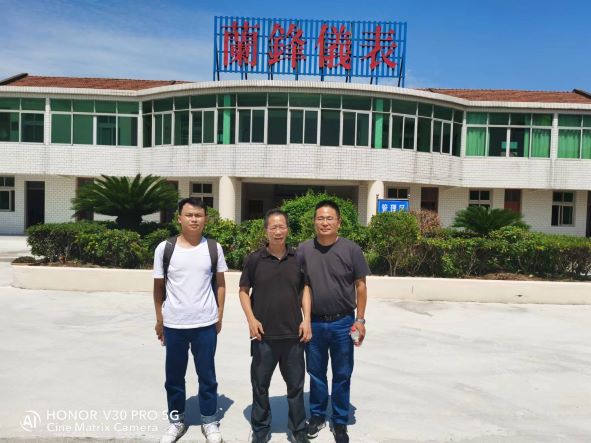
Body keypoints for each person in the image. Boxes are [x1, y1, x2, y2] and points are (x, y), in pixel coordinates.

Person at [153, 197, 228, 443]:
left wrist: (219, 315)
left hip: (205, 323)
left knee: (207, 376)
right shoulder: (165, 249)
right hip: (174, 324)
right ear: (179, 218)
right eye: (189, 215)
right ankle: (176, 421)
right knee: (174, 377)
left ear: (205, 219)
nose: (194, 219)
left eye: (198, 215)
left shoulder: (213, 248)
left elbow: (220, 284)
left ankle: (209, 420)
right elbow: (158, 287)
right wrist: (159, 319)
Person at [298, 200, 370, 443]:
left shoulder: (351, 250)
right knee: (316, 372)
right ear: (314, 222)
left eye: (330, 218)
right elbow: (303, 286)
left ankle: (339, 420)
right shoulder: (304, 249)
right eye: (320, 218)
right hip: (315, 323)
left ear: (339, 222)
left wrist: (360, 320)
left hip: (343, 322)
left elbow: (361, 286)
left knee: (342, 373)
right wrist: (306, 319)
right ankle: (317, 415)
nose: (325, 222)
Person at [239, 209, 312, 443]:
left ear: (287, 230)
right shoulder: (254, 259)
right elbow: (243, 291)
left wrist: (307, 319)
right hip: (264, 336)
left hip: (293, 335)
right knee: (260, 386)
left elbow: (305, 289)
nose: (278, 231)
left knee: (296, 387)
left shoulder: (298, 258)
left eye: (282, 227)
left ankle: (298, 430)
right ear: (266, 231)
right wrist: (251, 319)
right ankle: (260, 430)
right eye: (273, 227)